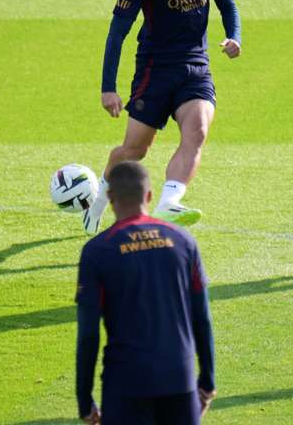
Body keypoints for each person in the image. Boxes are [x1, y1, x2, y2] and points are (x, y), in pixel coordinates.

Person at [81, 0, 241, 234]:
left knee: (196, 132)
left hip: (196, 66)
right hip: (155, 71)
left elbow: (226, 3)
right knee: (134, 150)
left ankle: (168, 203)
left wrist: (233, 36)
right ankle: (99, 198)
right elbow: (117, 32)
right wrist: (108, 87)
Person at [75, 161, 216, 424]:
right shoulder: (183, 241)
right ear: (149, 196)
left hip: (125, 384)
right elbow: (202, 318)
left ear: (110, 197)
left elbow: (88, 335)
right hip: (179, 379)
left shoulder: (97, 251)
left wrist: (84, 400)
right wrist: (207, 381)